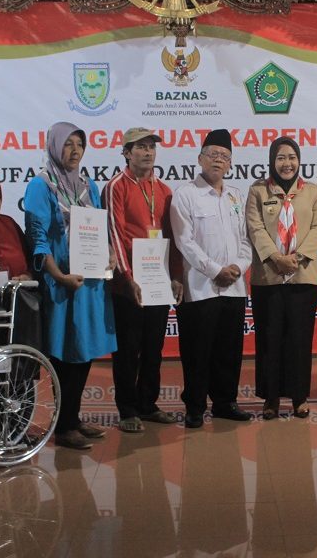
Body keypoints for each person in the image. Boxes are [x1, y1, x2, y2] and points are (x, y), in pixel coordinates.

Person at [25, 122, 118, 450]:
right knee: (66, 355)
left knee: (85, 350)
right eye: (68, 144)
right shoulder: (41, 186)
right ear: (54, 146)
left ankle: (74, 417)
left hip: (89, 283)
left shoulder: (87, 185)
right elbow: (38, 238)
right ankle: (63, 426)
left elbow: (99, 227)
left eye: (80, 144)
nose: (75, 150)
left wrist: (107, 253)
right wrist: (59, 276)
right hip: (62, 285)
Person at [170, 129, 254, 429]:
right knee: (197, 351)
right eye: (213, 155)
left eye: (224, 157)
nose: (218, 160)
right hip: (200, 288)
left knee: (229, 350)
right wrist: (215, 269)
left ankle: (225, 403)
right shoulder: (185, 195)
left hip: (233, 286)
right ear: (200, 159)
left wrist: (238, 267)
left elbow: (246, 239)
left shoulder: (235, 195)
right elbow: (185, 241)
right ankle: (194, 406)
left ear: (230, 164)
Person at [103, 127, 184, 433]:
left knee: (154, 347)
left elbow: (172, 239)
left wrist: (176, 276)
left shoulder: (163, 190)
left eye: (151, 147)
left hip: (158, 282)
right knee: (127, 349)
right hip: (129, 285)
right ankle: (127, 410)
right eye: (140, 147)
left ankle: (148, 404)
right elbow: (115, 234)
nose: (148, 152)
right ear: (126, 153)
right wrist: (127, 278)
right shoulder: (116, 187)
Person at [246, 137, 317, 419]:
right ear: (272, 161)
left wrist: (297, 258)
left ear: (299, 160)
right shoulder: (257, 190)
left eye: (292, 157)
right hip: (267, 277)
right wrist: (275, 258)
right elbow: (255, 228)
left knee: (299, 338)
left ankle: (298, 397)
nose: (287, 163)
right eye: (281, 158)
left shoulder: (313, 192)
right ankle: (270, 398)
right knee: (269, 337)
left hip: (302, 276)